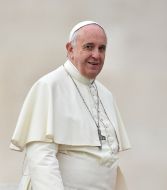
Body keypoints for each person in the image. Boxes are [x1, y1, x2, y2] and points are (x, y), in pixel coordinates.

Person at [10, 21, 131, 190]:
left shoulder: (106, 95)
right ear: (70, 49)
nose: (96, 55)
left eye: (101, 48)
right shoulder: (49, 86)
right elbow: (41, 157)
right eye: (89, 47)